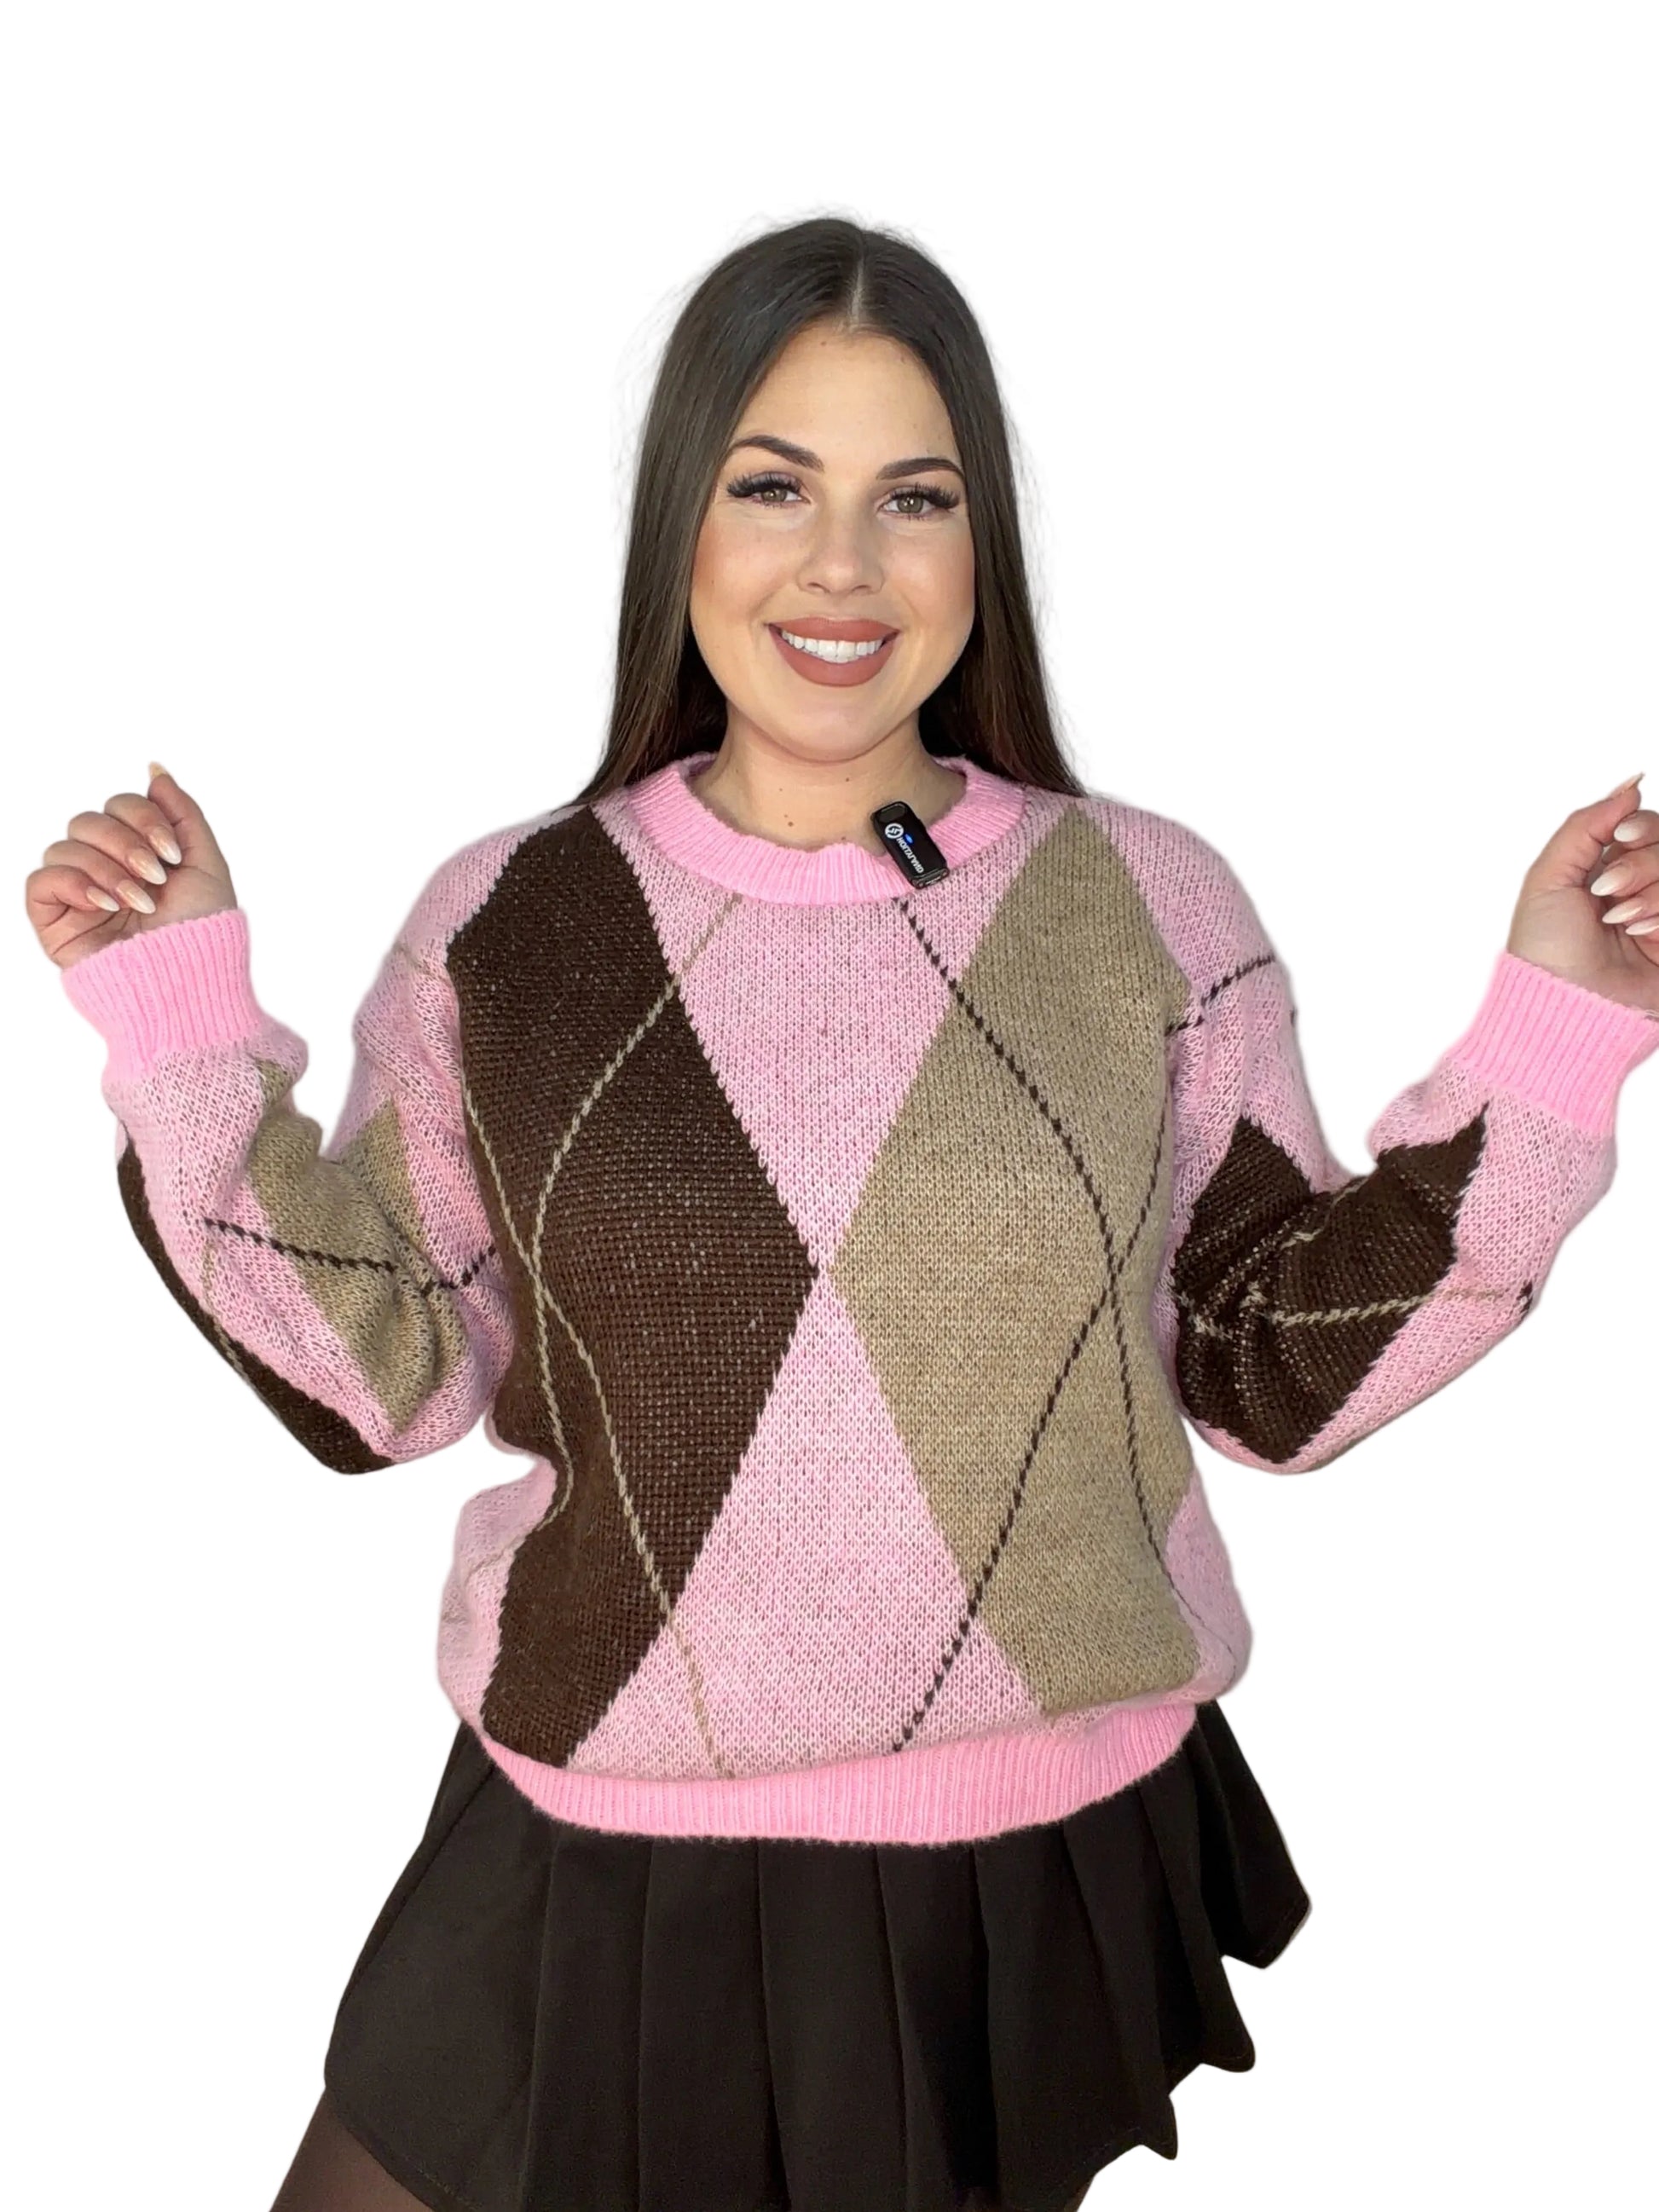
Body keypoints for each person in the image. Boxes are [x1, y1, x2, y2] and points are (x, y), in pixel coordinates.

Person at [27, 216, 1659, 2212]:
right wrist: (178, 1027)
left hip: (1011, 1876)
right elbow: (381, 1382)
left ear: (981, 545)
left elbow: (1270, 1369)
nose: (842, 566)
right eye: (773, 486)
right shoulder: (515, 920)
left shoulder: (1143, 902)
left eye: (914, 497)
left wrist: (1555, 1033)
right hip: (593, 1843)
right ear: (680, 525)